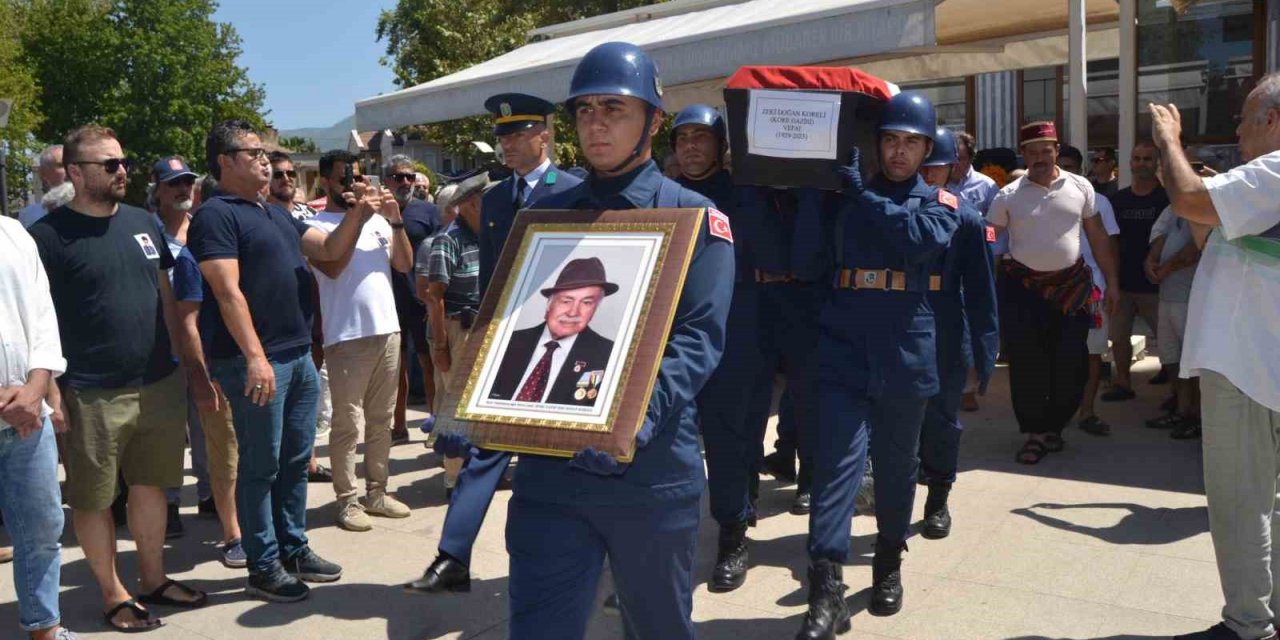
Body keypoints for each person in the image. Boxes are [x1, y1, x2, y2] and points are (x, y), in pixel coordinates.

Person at [436, 41, 733, 639]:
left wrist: (635, 414)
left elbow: (700, 339)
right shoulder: (544, 215)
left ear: (653, 119)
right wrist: (470, 405)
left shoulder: (696, 217)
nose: (596, 122)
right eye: (585, 109)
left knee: (659, 629)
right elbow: (509, 321)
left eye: (615, 109)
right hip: (550, 477)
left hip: (649, 475)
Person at [187, 119, 378, 602]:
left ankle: (293, 548)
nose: (265, 160)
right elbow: (226, 292)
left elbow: (331, 253)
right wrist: (255, 357)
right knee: (261, 465)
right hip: (257, 362)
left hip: (298, 357)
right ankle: (263, 562)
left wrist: (357, 215)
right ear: (225, 161)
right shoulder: (216, 215)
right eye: (254, 153)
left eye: (266, 153)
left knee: (295, 461)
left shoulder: (276, 213)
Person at [30, 125, 205, 632]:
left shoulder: (143, 222)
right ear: (79, 173)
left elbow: (165, 296)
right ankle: (113, 594)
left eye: (123, 161)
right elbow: (40, 320)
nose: (122, 170)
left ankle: (154, 579)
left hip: (156, 382)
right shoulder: (48, 235)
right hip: (90, 391)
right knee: (95, 497)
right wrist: (54, 393)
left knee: (151, 487)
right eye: (110, 165)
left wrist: (182, 363)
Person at [797, 92, 958, 638]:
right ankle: (824, 590)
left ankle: (888, 560)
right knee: (836, 465)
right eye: (890, 139)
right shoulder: (844, 198)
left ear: (926, 149)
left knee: (896, 467)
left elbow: (916, 241)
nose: (898, 151)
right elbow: (807, 262)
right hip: (843, 347)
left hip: (905, 353)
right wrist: (812, 193)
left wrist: (861, 193)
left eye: (911, 142)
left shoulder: (940, 204)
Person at [408, 93, 581, 595]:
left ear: (543, 135)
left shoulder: (573, 189)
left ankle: (582, 560)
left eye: (516, 134)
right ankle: (453, 555)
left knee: (565, 456)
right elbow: (490, 273)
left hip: (563, 336)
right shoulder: (498, 198)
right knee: (481, 447)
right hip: (507, 337)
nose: (505, 144)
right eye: (502, 135)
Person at [1151, 74, 1280, 640]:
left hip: (1246, 364)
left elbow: (1187, 201)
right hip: (1254, 362)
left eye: (1245, 119)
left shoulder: (1274, 172)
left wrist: (1168, 139)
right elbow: (1209, 230)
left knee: (1239, 502)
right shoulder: (1258, 185)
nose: (1237, 129)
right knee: (1263, 503)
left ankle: (1248, 625)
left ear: (1273, 120)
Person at [667, 103, 773, 593]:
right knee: (675, 444)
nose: (691, 146)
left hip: (735, 334)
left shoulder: (743, 195)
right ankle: (674, 533)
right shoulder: (661, 196)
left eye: (701, 137)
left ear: (721, 145)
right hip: (671, 338)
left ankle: (733, 534)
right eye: (682, 138)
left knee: (732, 438)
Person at [986, 121, 1119, 465]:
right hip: (1023, 290)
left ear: (1056, 150)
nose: (1040, 157)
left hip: (1071, 289)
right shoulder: (1007, 195)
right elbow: (989, 236)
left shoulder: (1081, 187)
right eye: (1032, 151)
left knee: (1071, 365)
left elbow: (1099, 238)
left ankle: (1054, 427)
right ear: (1024, 154)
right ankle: (1034, 434)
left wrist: (1113, 283)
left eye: (1046, 150)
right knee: (1028, 364)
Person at [307, 150, 414, 532]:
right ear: (324, 182)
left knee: (382, 420)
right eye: (342, 179)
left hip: (387, 330)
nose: (351, 185)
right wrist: (359, 216)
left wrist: (396, 221)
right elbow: (332, 267)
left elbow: (404, 265)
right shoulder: (316, 225)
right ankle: (347, 500)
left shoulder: (379, 223)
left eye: (354, 178)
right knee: (347, 424)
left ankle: (377, 492)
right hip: (346, 336)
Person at [915, 127, 998, 540]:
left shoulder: (966, 218)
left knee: (942, 418)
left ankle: (938, 497)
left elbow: (982, 289)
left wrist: (985, 348)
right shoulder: (893, 207)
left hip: (946, 322)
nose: (929, 175)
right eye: (924, 167)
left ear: (952, 168)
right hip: (900, 320)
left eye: (937, 168)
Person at [0, 211, 78, 640]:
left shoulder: (12, 233)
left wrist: (36, 389)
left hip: (27, 418)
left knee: (43, 530)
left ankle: (44, 629)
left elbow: (43, 319)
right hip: (16, 409)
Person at [169, 234, 245, 568]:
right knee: (226, 456)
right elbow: (188, 323)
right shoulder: (191, 256)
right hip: (219, 371)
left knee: (261, 455)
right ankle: (233, 535)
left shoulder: (253, 244)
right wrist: (200, 377)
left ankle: (260, 525)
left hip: (264, 366)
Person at [149, 156, 211, 540]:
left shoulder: (204, 230)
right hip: (163, 350)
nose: (182, 189)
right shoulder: (147, 232)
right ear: (156, 188)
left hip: (206, 347)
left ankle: (209, 494)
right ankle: (170, 503)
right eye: (173, 183)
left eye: (187, 182)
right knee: (170, 433)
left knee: (207, 423)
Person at [264, 152, 332, 484]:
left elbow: (330, 256)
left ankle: (309, 460)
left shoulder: (306, 216)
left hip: (312, 317)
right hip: (277, 333)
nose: (287, 179)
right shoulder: (263, 217)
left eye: (291, 173)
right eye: (278, 174)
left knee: (309, 401)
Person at [420, 172, 487, 497]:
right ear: (472, 204)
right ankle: (454, 479)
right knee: (456, 407)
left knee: (479, 407)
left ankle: (475, 472)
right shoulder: (449, 240)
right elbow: (434, 296)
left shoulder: (483, 236)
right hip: (458, 328)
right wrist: (442, 346)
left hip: (481, 328)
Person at [1057, 147, 1122, 437]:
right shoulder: (1041, 202)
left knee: (1092, 355)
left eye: (1070, 166)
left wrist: (1113, 286)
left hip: (1093, 292)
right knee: (1055, 356)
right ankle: (1055, 414)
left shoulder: (1100, 202)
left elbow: (1110, 250)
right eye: (1061, 166)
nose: (1065, 172)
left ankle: (1087, 412)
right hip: (1053, 293)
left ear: (1081, 168)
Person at [489, 258, 616, 404]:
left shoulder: (610, 356)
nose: (573, 312)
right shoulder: (505, 342)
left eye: (586, 303)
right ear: (549, 303)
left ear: (594, 309)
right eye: (566, 301)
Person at [1103, 140, 1169, 401]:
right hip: (1124, 281)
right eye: (1137, 158)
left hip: (1159, 282)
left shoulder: (1166, 198)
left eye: (1147, 159)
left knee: (1167, 340)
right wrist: (1113, 281)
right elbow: (1111, 242)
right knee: (1118, 337)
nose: (1141, 163)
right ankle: (1123, 383)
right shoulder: (1118, 200)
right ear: (1129, 163)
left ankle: (1175, 390)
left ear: (1157, 164)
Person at [384, 154, 441, 444]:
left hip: (420, 302)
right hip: (386, 303)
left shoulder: (428, 212)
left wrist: (434, 299)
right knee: (396, 368)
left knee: (427, 363)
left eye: (409, 176)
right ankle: (399, 425)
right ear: (386, 181)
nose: (405, 182)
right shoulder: (373, 213)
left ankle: (432, 422)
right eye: (398, 177)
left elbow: (440, 254)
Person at [1143, 204, 1201, 438]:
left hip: (1190, 300)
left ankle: (1196, 417)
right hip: (1166, 297)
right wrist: (1150, 261)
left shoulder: (1203, 208)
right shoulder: (1172, 207)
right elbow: (1160, 236)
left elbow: (1193, 250)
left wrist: (1165, 268)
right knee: (1173, 360)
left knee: (1193, 365)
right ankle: (1181, 411)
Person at [18, 146, 65, 228]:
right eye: (62, 165)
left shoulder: (91, 211)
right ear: (42, 173)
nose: (72, 170)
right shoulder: (28, 216)